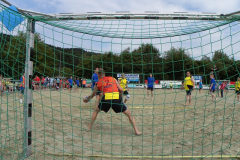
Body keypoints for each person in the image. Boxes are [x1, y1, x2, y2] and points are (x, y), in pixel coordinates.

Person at [83, 69, 141, 135]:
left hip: (106, 98)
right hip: (116, 98)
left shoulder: (98, 82)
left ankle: (89, 127)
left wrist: (86, 100)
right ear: (104, 74)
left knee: (96, 111)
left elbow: (92, 95)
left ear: (98, 75)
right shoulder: (113, 78)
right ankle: (136, 131)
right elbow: (121, 89)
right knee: (129, 114)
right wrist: (120, 97)